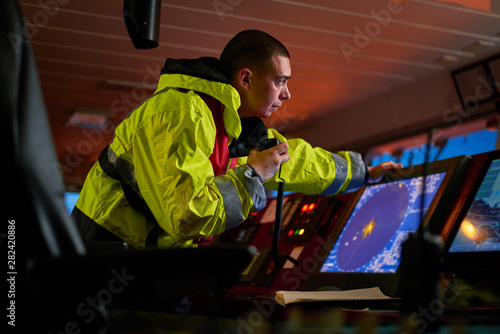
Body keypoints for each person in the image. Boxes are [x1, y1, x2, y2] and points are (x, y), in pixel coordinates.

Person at [72, 30, 401, 249]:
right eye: (280, 81)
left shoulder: (231, 125)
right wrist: (254, 174)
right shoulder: (181, 113)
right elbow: (189, 215)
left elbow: (296, 160)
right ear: (246, 78)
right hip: (106, 260)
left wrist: (364, 174)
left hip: (153, 261)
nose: (287, 94)